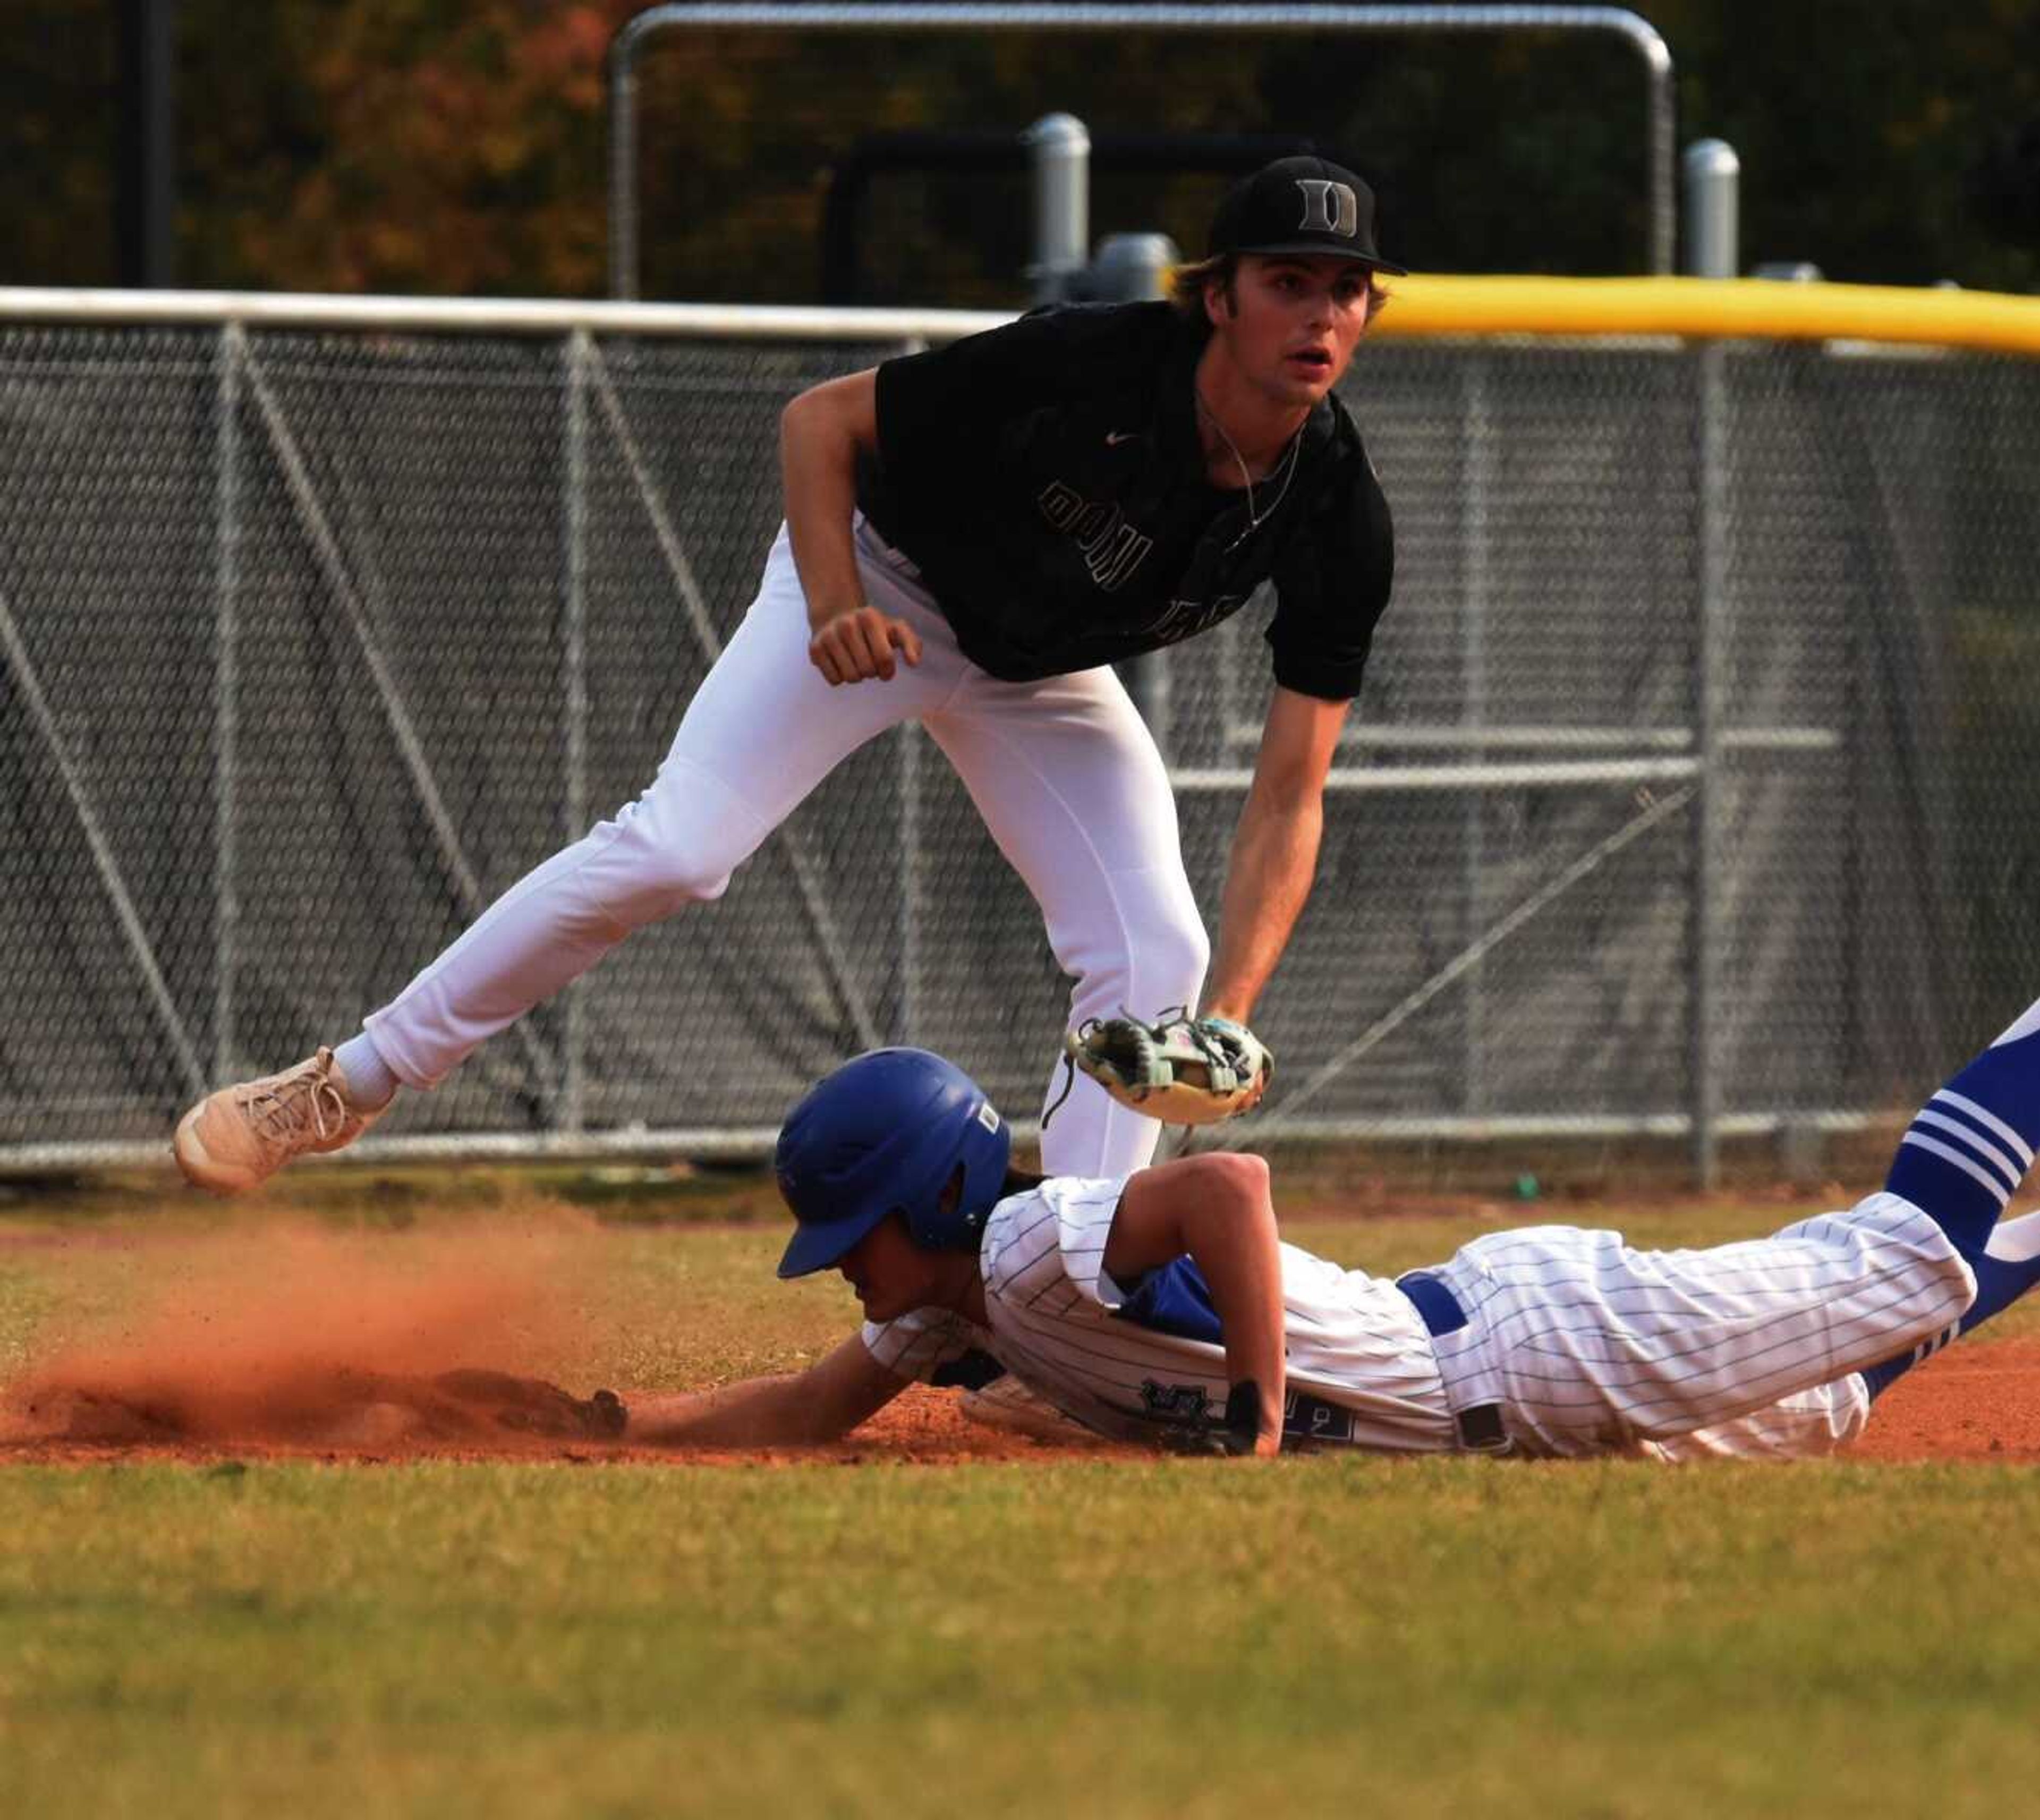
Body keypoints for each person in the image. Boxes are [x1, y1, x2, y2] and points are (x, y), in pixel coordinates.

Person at [172, 152, 1403, 1196]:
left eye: (1347, 291)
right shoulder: (1095, 363)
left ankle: (1066, 1282)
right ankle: (350, 1081)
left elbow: (1292, 788)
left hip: (1038, 671)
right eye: (1287, 281)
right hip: (889, 577)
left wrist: (1225, 1021)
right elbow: (823, 422)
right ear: (1220, 299)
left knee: (1157, 959)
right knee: (676, 850)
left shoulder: (1337, 511)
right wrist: (834, 605)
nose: (1321, 314)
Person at [615, 1001, 2040, 1461]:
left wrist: (1258, 1391)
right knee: (1833, 1395)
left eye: (855, 1233)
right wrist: (623, 1422)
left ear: (932, 1197)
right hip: (1507, 1408)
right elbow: (810, 1401)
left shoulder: (1030, 1245)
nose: (847, 1266)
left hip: (1537, 1350)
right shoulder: (954, 1304)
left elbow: (1230, 1186)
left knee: (1907, 1249)